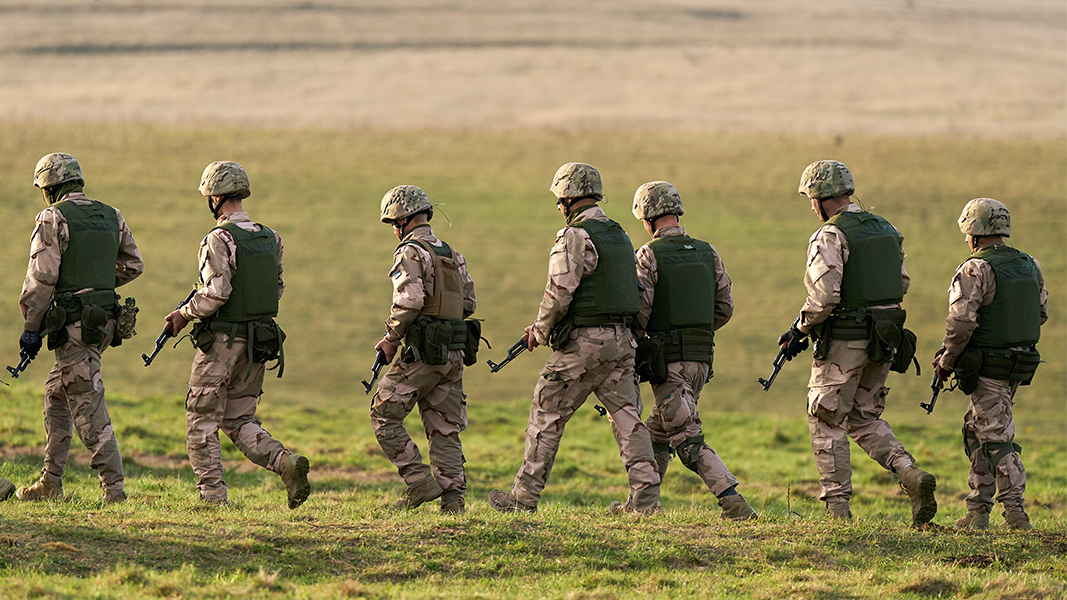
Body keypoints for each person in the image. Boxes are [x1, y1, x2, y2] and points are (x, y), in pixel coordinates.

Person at [489, 163, 660, 515]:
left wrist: (539, 330)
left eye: (559, 201)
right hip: (622, 342)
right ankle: (646, 501)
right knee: (629, 419)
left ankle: (523, 498)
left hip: (583, 344)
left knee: (546, 411)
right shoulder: (620, 234)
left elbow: (559, 291)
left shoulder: (574, 235)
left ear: (568, 199)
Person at [779, 159, 936, 525]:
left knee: (826, 418)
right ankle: (910, 474)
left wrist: (799, 329)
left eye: (811, 200)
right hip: (885, 341)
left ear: (820, 198)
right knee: (864, 418)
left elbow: (825, 295)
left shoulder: (830, 235)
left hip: (844, 344)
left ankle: (838, 512)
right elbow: (902, 283)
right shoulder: (886, 229)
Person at [165, 161, 310, 508]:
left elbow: (217, 293)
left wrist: (184, 314)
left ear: (214, 198)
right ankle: (285, 463)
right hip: (258, 342)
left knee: (201, 416)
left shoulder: (219, 238)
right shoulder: (269, 236)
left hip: (222, 344)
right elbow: (276, 288)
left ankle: (212, 497)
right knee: (238, 418)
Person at [16, 152, 143, 503]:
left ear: (50, 187)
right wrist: (97, 283)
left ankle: (114, 491)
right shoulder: (110, 215)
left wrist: (31, 326)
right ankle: (50, 482)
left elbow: (42, 277)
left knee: (88, 407)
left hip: (73, 325)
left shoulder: (52, 218)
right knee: (57, 394)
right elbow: (134, 265)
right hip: (103, 324)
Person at [629, 181, 755, 520]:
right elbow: (724, 308)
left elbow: (640, 313)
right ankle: (641, 505)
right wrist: (694, 331)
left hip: (668, 365)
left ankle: (734, 503)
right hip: (701, 361)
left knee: (687, 440)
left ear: (647, 217)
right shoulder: (707, 251)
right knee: (657, 430)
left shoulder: (648, 255)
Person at [934, 198, 1046, 531]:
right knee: (976, 430)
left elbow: (961, 322)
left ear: (973, 232)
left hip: (989, 366)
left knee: (995, 436)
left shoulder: (975, 268)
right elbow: (1040, 314)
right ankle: (977, 511)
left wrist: (946, 360)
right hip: (1018, 364)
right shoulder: (1030, 264)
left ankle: (1016, 514)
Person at [370, 185, 476, 514]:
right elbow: (469, 303)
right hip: (454, 352)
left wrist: (391, 338)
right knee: (444, 427)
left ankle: (418, 480)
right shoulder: (452, 254)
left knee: (383, 412)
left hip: (423, 352)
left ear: (403, 220)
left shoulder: (410, 252)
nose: (394, 230)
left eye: (393, 224)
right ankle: (453, 502)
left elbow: (410, 300)